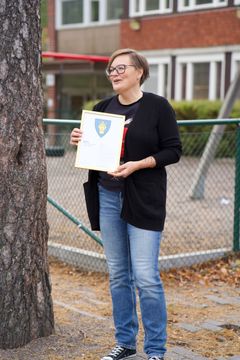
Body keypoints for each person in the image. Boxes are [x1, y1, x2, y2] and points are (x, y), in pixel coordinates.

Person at [70, 48, 182, 360]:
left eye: (121, 68)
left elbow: (173, 151)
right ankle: (126, 342)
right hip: (107, 197)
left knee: (145, 276)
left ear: (139, 72)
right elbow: (94, 155)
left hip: (144, 199)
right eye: (110, 69)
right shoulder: (101, 108)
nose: (114, 73)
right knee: (119, 274)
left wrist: (137, 164)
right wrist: (80, 140)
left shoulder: (158, 107)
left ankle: (156, 350)